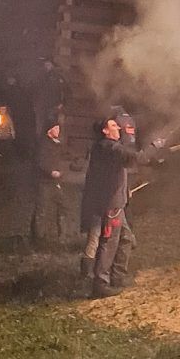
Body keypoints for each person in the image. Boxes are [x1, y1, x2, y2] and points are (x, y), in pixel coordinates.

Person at [80, 116, 165, 298]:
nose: (118, 127)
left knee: (126, 239)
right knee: (109, 242)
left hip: (116, 202)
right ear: (104, 130)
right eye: (113, 125)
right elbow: (138, 158)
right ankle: (101, 283)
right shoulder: (109, 148)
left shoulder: (105, 148)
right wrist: (154, 146)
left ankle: (117, 277)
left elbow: (125, 164)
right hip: (111, 205)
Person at [30, 111, 66, 248]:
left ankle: (62, 236)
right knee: (42, 210)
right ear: (49, 130)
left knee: (62, 208)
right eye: (56, 128)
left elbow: (62, 158)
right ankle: (38, 239)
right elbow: (40, 162)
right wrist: (51, 172)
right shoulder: (43, 144)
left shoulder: (57, 144)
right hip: (44, 182)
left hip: (56, 183)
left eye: (58, 127)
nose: (58, 130)